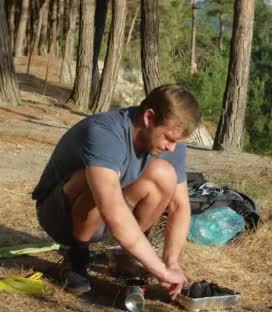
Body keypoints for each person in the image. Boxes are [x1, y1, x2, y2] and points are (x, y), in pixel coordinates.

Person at [32, 84, 200, 300]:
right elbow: (111, 206)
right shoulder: (104, 133)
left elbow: (180, 206)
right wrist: (159, 269)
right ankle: (77, 256)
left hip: (107, 215)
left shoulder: (170, 144)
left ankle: (124, 255)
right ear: (149, 117)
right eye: (168, 138)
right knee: (96, 177)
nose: (171, 147)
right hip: (58, 215)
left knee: (164, 175)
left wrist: (172, 263)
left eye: (177, 141)